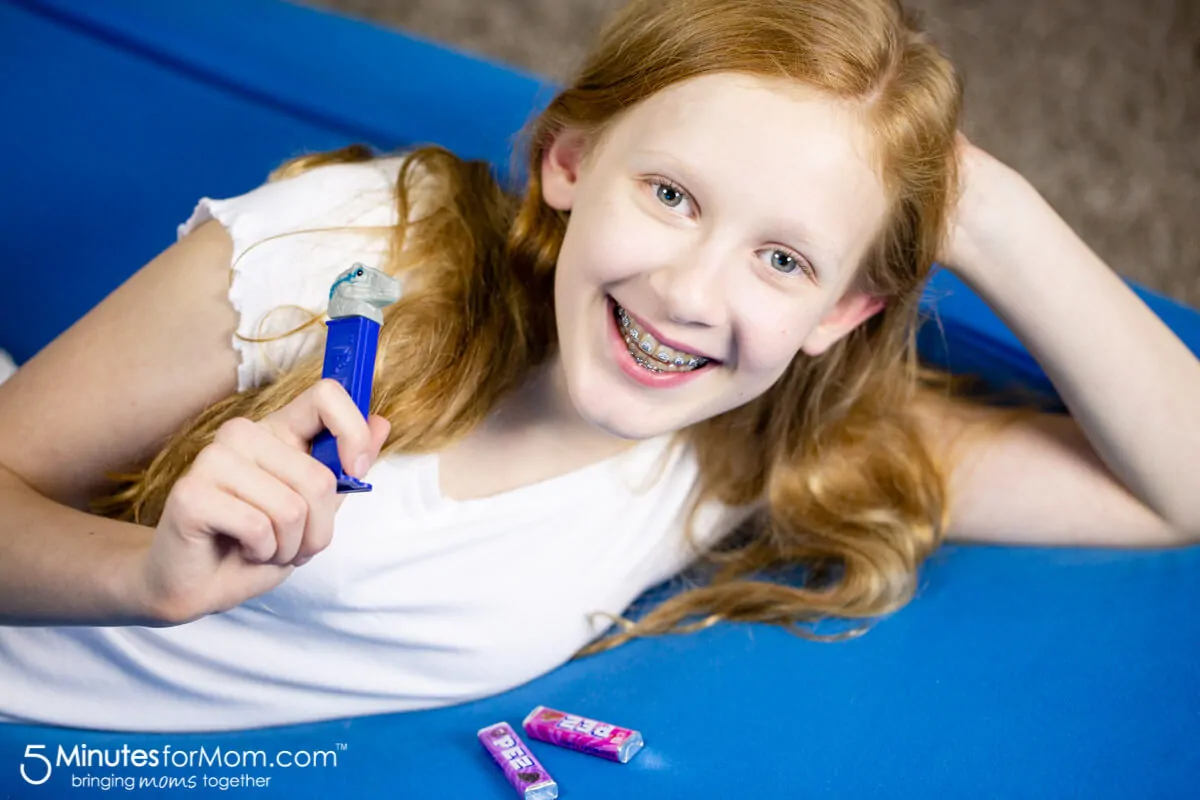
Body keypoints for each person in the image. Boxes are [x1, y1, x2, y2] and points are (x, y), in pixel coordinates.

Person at [0, 0, 1196, 733]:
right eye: (670, 194)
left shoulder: (751, 447)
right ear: (570, 160)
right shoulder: (355, 254)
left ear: (845, 309)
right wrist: (142, 575)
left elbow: (1178, 481)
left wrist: (979, 204)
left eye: (783, 258)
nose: (689, 293)